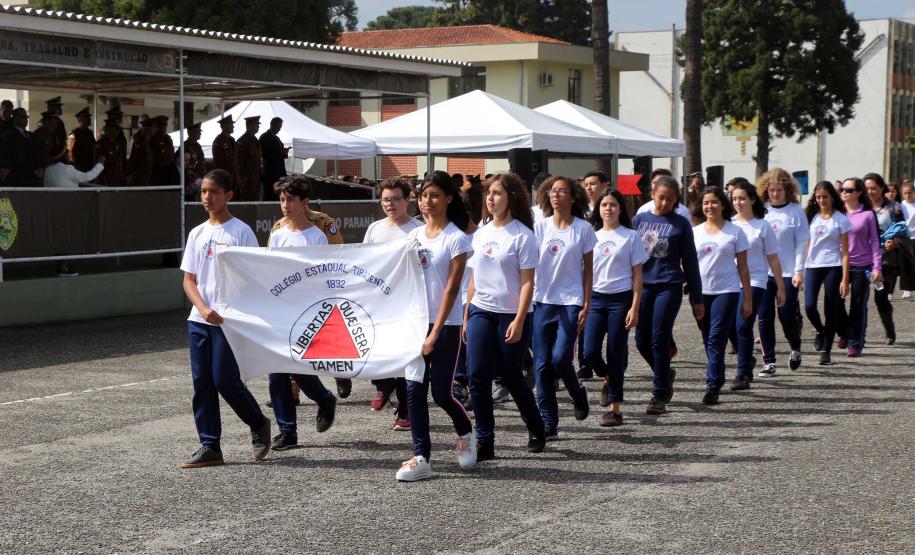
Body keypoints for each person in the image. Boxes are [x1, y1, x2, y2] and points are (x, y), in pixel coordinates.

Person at [178, 169, 271, 468]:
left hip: (229, 321)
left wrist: (230, 309)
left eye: (214, 191)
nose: (207, 197)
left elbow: (252, 276)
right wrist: (203, 308)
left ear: (229, 195)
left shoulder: (240, 232)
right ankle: (210, 445)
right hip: (200, 320)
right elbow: (188, 280)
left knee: (224, 380)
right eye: (204, 191)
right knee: (201, 382)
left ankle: (258, 422)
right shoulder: (197, 233)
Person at [396, 170, 476, 482]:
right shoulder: (412, 237)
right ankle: (421, 457)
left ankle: (465, 431)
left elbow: (452, 290)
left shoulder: (456, 239)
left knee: (441, 393)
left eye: (434, 195)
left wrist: (435, 332)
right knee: (414, 391)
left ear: (449, 198)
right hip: (414, 325)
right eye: (423, 195)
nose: (427, 201)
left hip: (446, 325)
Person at [464, 172, 547, 458]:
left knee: (512, 376)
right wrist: (467, 315)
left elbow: (528, 282)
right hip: (480, 312)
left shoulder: (523, 236)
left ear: (512, 197)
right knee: (477, 376)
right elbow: (474, 277)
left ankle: (537, 428)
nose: (490, 198)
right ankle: (485, 440)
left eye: (496, 193)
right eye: (488, 193)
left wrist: (520, 319)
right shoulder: (482, 232)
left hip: (510, 315)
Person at [266, 176, 338, 451]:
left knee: (299, 367)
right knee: (276, 371)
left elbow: (319, 275)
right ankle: (288, 430)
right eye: (282, 200)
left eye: (290, 200)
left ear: (304, 203)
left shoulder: (316, 236)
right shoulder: (278, 234)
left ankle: (323, 398)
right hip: (281, 310)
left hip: (306, 311)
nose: (285, 205)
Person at [632, 175, 703, 415]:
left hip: (668, 286)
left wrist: (696, 297)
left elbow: (691, 262)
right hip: (642, 286)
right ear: (653, 195)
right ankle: (665, 372)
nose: (664, 203)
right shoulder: (638, 220)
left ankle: (658, 394)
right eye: (661, 197)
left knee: (658, 339)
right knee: (641, 340)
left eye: (670, 199)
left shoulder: (680, 224)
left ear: (676, 201)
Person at [532, 175, 595, 439]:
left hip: (570, 301)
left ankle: (577, 393)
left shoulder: (583, 229)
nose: (556, 195)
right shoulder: (540, 227)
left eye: (562, 191)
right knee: (542, 365)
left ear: (573, 196)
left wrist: (586, 303)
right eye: (552, 191)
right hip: (542, 300)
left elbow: (589, 270)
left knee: (561, 358)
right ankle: (549, 422)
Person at [362, 177, 422, 431]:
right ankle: (383, 385)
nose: (391, 204)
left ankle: (405, 409)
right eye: (386, 199)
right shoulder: (375, 228)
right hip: (379, 301)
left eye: (396, 199)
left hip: (407, 300)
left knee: (405, 356)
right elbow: (364, 260)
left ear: (408, 200)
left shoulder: (418, 229)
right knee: (378, 349)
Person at [583, 189, 646, 425]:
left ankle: (615, 408)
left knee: (615, 352)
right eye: (604, 205)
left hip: (621, 300)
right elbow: (585, 273)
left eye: (612, 205)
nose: (608, 209)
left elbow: (638, 274)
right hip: (596, 300)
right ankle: (609, 377)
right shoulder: (591, 236)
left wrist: (634, 306)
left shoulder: (630, 236)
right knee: (589, 352)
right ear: (598, 209)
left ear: (620, 209)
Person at [691, 187, 752, 404]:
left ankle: (712, 385)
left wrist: (748, 298)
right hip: (701, 293)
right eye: (706, 202)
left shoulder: (735, 232)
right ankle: (718, 374)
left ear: (723, 205)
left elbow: (743, 267)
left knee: (716, 337)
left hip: (727, 291)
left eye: (715, 202)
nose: (710, 206)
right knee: (708, 338)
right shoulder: (695, 232)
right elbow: (687, 264)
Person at [728, 181, 784, 389]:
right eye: (734, 199)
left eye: (742, 198)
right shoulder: (729, 224)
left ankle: (742, 373)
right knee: (729, 327)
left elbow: (773, 258)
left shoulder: (762, 225)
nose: (738, 202)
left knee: (743, 325)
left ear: (752, 199)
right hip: (730, 282)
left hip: (756, 281)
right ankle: (747, 359)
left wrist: (780, 287)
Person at [756, 168, 808, 377]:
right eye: (771, 190)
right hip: (763, 273)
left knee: (786, 315)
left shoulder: (796, 212)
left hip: (787, 273)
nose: (775, 194)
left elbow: (801, 244)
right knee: (764, 317)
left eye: (778, 190)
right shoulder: (762, 211)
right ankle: (769, 361)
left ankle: (795, 346)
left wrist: (798, 271)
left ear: (786, 190)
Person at [804, 181, 851, 366]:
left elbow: (846, 252)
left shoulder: (841, 219)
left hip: (833, 265)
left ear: (832, 197)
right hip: (812, 266)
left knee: (830, 308)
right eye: (818, 197)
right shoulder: (810, 217)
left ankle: (826, 350)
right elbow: (805, 245)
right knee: (808, 306)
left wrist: (845, 279)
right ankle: (821, 331)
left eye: (824, 196)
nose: (821, 200)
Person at [835, 177, 882, 357]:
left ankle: (855, 342)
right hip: (838, 264)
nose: (844, 193)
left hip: (862, 265)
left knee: (857, 305)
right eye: (843, 190)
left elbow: (876, 242)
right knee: (835, 301)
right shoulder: (837, 214)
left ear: (859, 192)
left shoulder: (868, 214)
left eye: (849, 190)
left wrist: (877, 267)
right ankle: (844, 331)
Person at [576, 170, 611, 380]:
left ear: (604, 185)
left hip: (606, 271)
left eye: (593, 184)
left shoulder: (610, 205)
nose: (588, 187)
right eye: (585, 184)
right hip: (585, 268)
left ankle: (614, 365)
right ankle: (584, 363)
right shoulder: (580, 209)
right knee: (583, 319)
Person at [864, 173, 903, 343]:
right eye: (867, 189)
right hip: (863, 258)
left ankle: (889, 329)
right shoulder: (860, 208)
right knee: (859, 298)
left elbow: (903, 231)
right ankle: (858, 335)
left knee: (880, 298)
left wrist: (894, 241)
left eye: (874, 188)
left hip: (887, 260)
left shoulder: (894, 208)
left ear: (881, 188)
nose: (870, 191)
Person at [0, 108, 43, 187]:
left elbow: (36, 153)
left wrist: (39, 167)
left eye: (27, 117)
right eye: (23, 117)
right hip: (17, 177)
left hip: (33, 178)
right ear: (15, 118)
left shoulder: (31, 136)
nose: (26, 119)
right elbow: (9, 156)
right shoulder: (8, 136)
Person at [260, 117, 288, 202]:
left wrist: (284, 152)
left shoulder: (276, 138)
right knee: (270, 196)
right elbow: (265, 154)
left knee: (277, 195)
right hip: (270, 172)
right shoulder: (265, 137)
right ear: (272, 125)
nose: (278, 129)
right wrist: (279, 152)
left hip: (278, 172)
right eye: (277, 127)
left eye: (280, 128)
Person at [235, 115, 262, 201]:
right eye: (256, 125)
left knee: (255, 201)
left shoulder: (255, 140)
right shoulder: (242, 141)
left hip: (255, 177)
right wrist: (241, 177)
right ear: (249, 126)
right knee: (246, 201)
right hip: (246, 178)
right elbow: (239, 161)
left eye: (258, 125)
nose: (258, 127)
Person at [212, 115, 239, 191]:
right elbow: (218, 162)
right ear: (224, 126)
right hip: (224, 178)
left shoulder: (232, 140)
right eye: (231, 124)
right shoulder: (218, 141)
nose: (233, 126)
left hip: (234, 177)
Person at [150, 116, 178, 186]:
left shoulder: (168, 139)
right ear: (157, 127)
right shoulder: (152, 139)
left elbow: (171, 154)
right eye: (161, 126)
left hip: (169, 170)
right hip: (156, 171)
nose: (163, 128)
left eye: (165, 126)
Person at [126, 118, 155, 186]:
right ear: (149, 129)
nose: (155, 130)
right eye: (154, 127)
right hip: (139, 181)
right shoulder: (140, 143)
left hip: (146, 181)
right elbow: (133, 161)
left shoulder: (149, 143)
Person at [67, 108, 96, 173]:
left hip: (89, 165)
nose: (90, 119)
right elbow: (70, 151)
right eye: (87, 118)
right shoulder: (74, 133)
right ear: (81, 120)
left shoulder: (89, 133)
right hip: (78, 166)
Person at [184, 123, 206, 200]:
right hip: (190, 179)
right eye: (197, 131)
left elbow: (201, 161)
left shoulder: (197, 146)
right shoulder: (185, 146)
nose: (199, 133)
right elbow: (185, 165)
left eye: (199, 131)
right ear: (189, 133)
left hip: (198, 177)